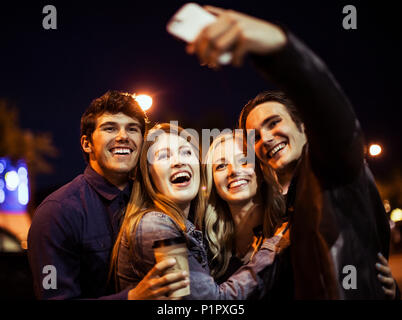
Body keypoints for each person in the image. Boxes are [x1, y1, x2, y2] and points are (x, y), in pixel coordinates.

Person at [186, 6, 399, 299]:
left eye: (274, 123)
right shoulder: (291, 206)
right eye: (256, 137)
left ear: (305, 127)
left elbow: (328, 106)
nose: (267, 138)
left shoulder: (331, 170)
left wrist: (277, 45)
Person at [27, 91, 188, 299]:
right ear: (87, 143)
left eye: (132, 129)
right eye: (110, 128)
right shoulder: (56, 213)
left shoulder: (157, 200)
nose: (123, 136)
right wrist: (132, 298)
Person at [112, 123, 289, 299]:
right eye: (164, 156)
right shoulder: (155, 226)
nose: (178, 161)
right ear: (148, 175)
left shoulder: (194, 232)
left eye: (186, 152)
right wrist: (275, 245)